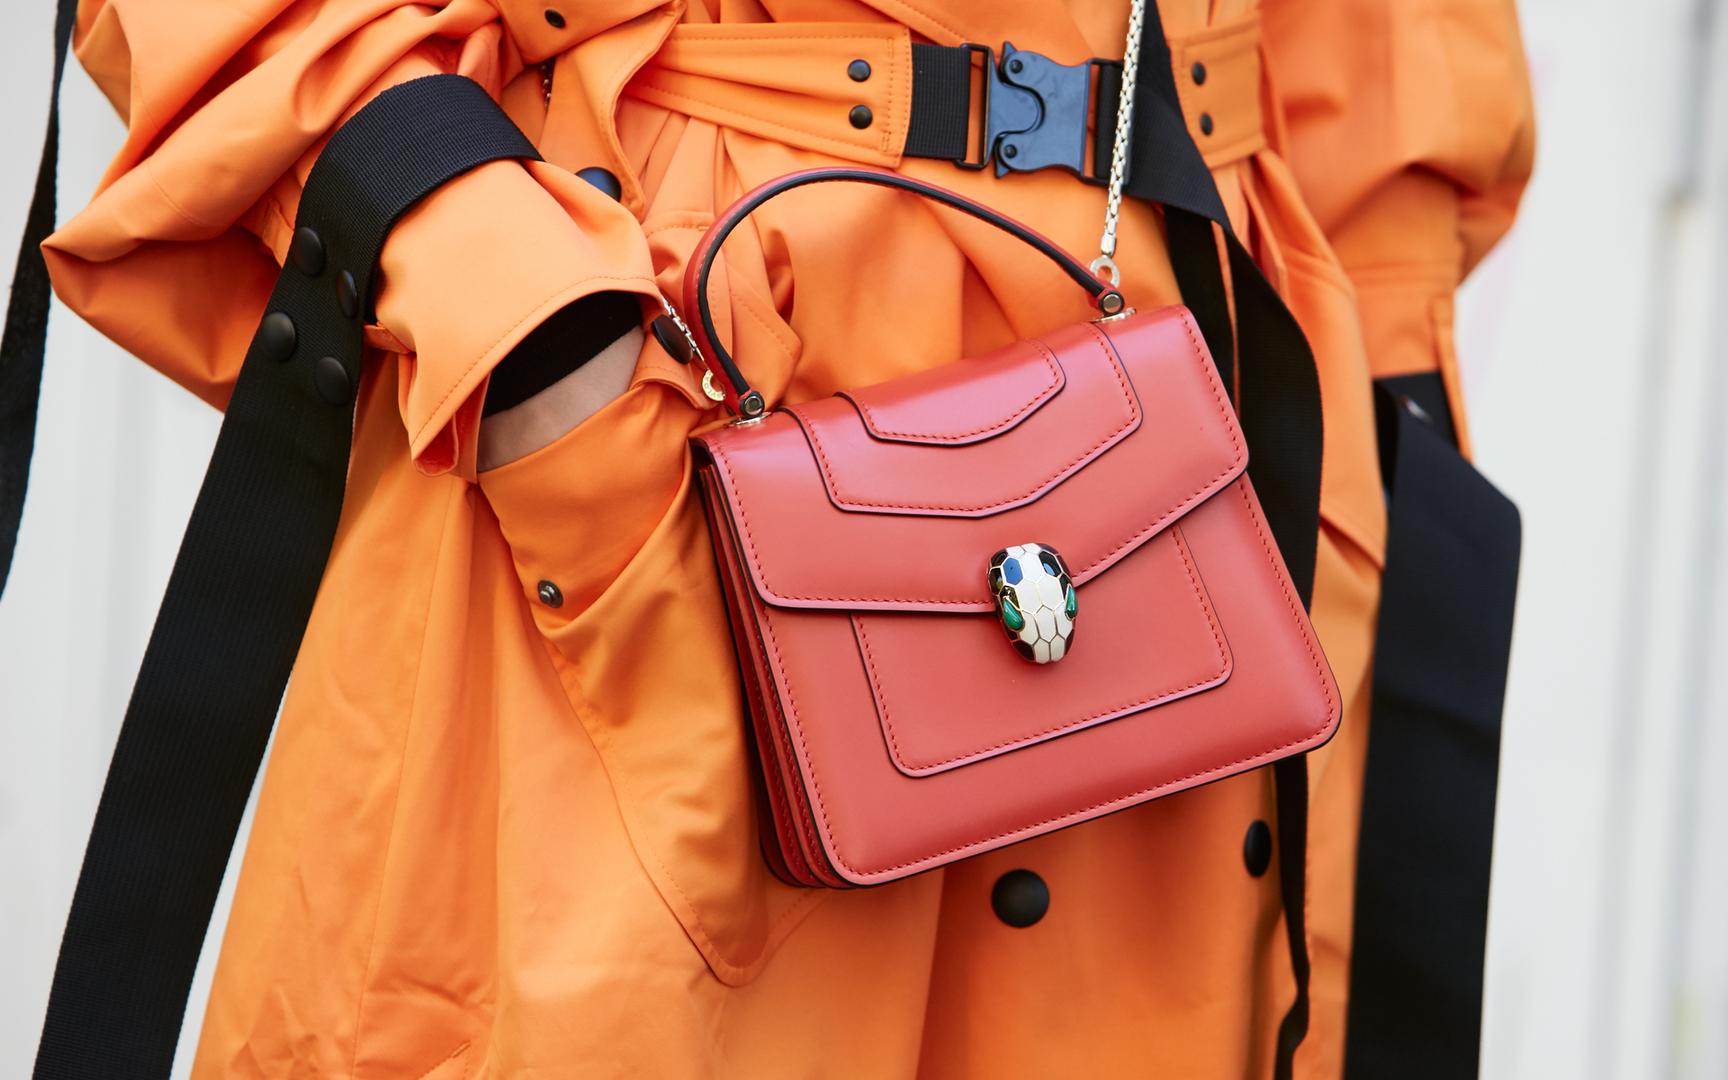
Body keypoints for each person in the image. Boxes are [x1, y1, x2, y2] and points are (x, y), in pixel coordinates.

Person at [35, 0, 1534, 1074]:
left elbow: (1378, 82)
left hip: (1178, 485)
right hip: (695, 417)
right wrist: (541, 350)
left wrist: (1380, 409)